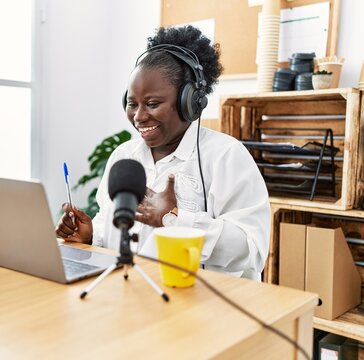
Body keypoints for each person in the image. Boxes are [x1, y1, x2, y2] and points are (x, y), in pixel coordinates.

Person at [55, 26, 270, 280]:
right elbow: (109, 226)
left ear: (190, 102)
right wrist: (91, 235)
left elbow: (252, 250)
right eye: (132, 104)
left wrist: (176, 219)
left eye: (153, 104)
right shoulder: (124, 156)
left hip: (199, 305)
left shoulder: (226, 156)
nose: (139, 116)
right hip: (130, 296)